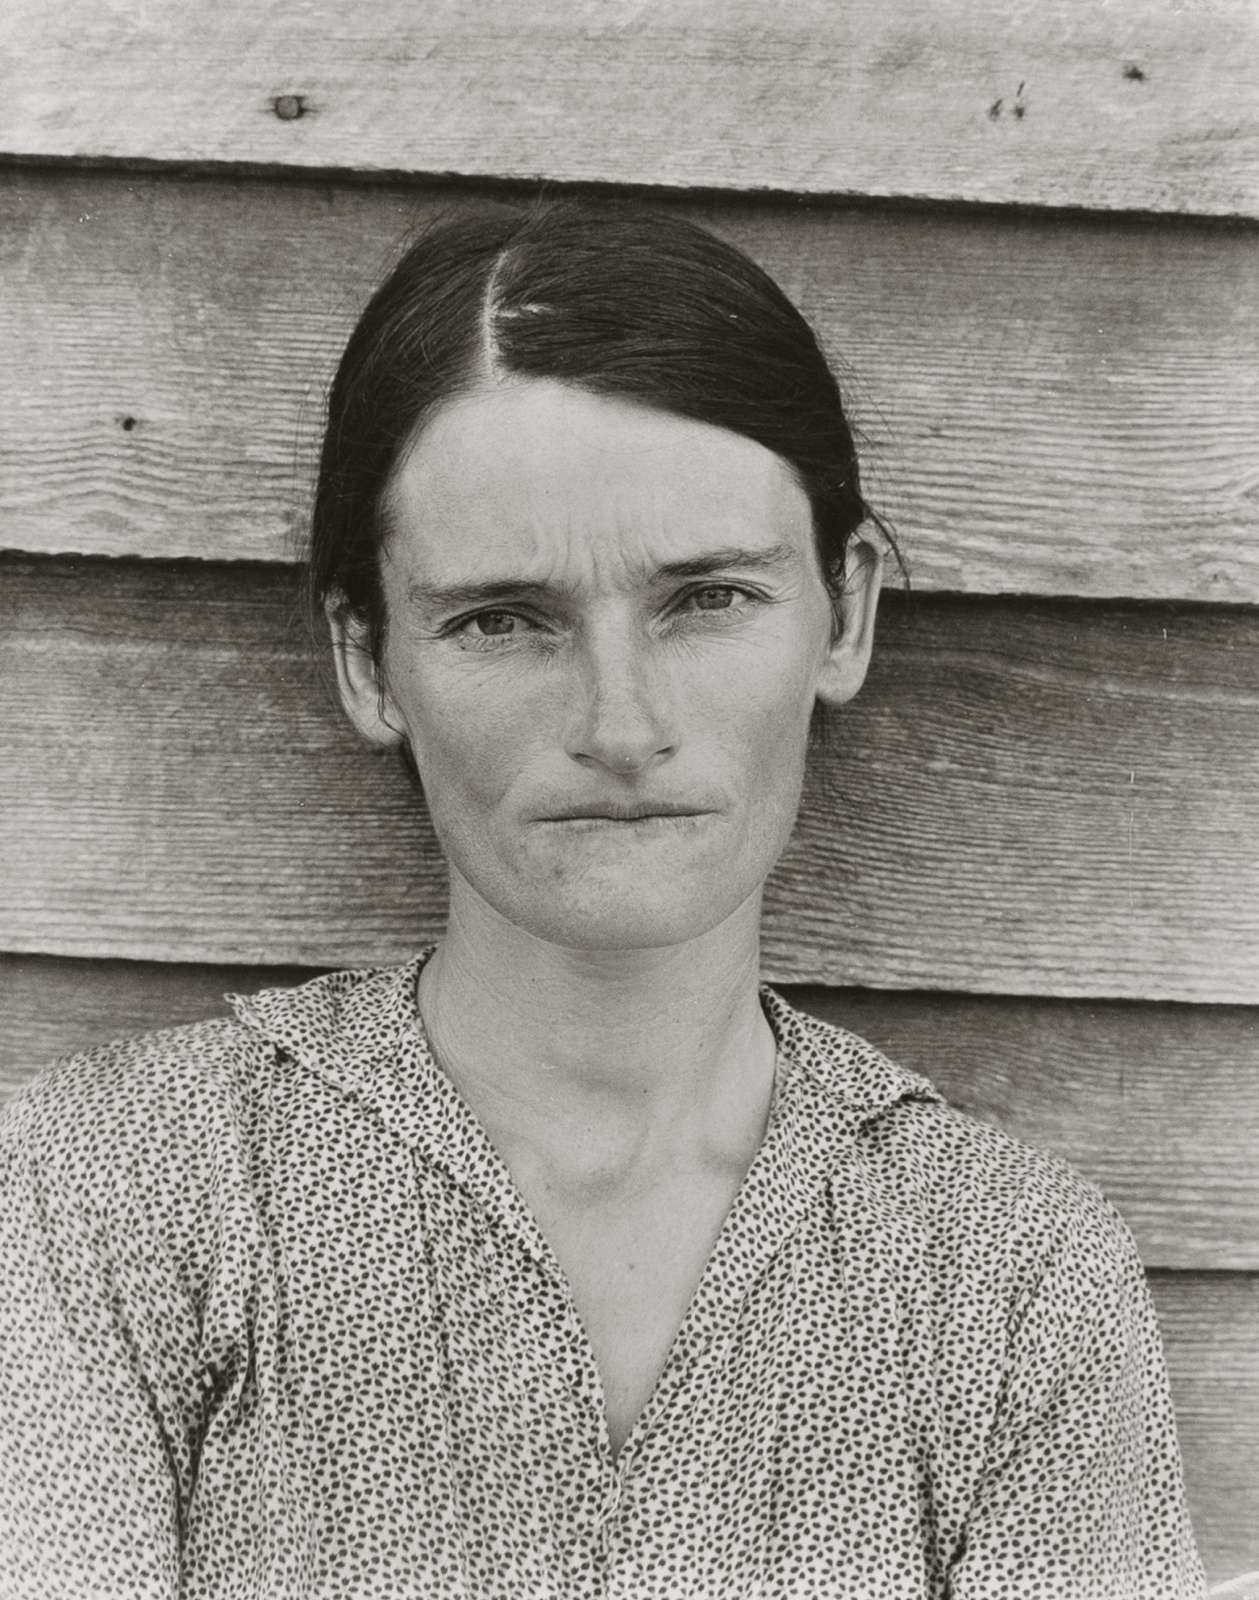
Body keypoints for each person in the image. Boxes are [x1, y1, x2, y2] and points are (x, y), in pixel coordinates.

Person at [0, 200, 1205, 1598]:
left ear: (847, 609)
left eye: (708, 600)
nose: (622, 724)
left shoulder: (1006, 1272)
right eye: (502, 620)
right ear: (370, 661)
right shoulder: (106, 1195)